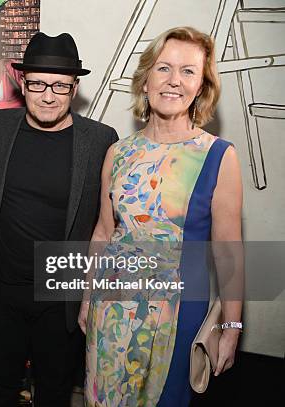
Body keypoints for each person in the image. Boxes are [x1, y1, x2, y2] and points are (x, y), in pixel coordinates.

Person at [79, 26, 244, 406]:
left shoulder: (219, 155)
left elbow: (229, 251)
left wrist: (232, 327)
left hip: (177, 311)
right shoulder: (118, 153)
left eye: (188, 71)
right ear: (146, 78)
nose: (174, 81)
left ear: (202, 86)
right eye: (163, 68)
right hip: (111, 306)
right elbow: (104, 232)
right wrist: (87, 297)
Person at [0, 32, 118, 406]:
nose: (48, 95)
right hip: (3, 293)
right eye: (38, 83)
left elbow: (108, 224)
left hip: (62, 298)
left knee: (54, 392)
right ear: (22, 82)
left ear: (75, 87)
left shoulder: (101, 140)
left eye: (60, 86)